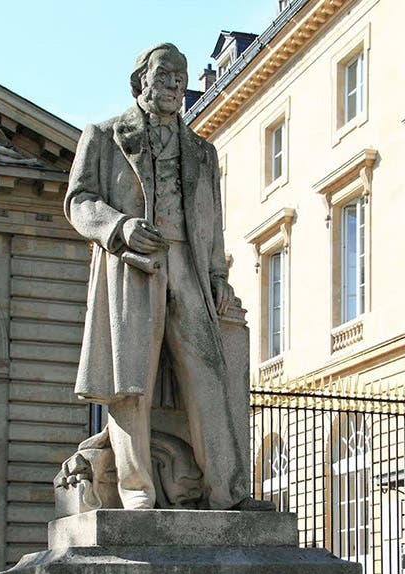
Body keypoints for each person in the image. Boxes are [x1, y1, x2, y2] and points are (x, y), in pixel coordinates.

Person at [64, 43, 248, 510]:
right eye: (164, 74)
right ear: (141, 80)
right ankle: (136, 488)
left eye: (180, 76)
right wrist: (119, 227)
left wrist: (217, 276)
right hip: (133, 266)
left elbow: (212, 223)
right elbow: (79, 201)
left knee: (209, 374)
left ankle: (227, 492)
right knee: (131, 382)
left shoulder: (202, 151)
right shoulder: (104, 136)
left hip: (188, 266)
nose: (174, 83)